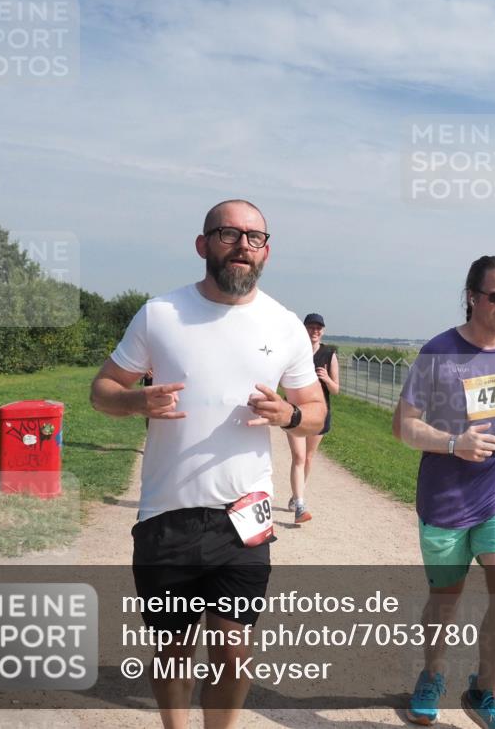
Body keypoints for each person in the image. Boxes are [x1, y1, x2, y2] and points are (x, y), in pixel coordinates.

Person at [90, 199, 326, 729]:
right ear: (203, 245)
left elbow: (315, 412)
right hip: (166, 513)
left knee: (232, 648)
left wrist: (288, 414)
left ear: (268, 252)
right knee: (174, 649)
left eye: (255, 237)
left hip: (244, 517)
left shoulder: (284, 324)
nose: (243, 245)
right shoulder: (160, 314)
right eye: (229, 233)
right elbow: (102, 390)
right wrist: (135, 402)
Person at [392, 256, 495, 729]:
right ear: (472, 297)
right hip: (446, 498)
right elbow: (403, 426)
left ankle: (485, 690)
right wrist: (453, 444)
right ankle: (432, 674)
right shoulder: (439, 352)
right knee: (446, 597)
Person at [285, 312, 339, 523]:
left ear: (323, 331)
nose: (314, 331)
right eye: (310, 327)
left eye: (318, 328)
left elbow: (336, 390)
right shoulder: (295, 352)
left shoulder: (329, 354)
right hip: (295, 411)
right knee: (298, 457)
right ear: (304, 329)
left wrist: (326, 378)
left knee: (307, 458)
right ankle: (300, 504)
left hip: (319, 413)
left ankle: (298, 494)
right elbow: (283, 381)